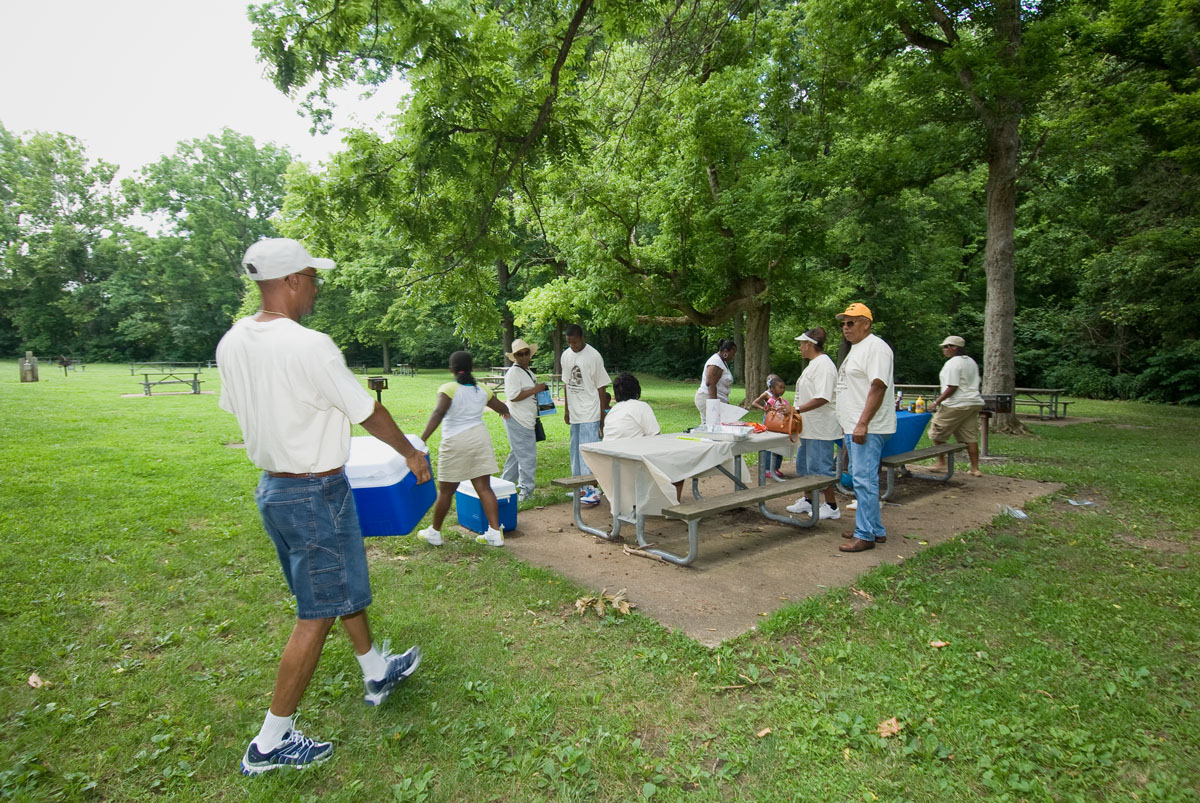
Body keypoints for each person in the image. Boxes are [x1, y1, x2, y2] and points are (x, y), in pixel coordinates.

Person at [217, 238, 431, 776]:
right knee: (315, 612)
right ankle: (270, 743)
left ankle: (376, 669)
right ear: (291, 280)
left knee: (333, 589)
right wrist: (410, 452)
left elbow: (244, 409)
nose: (317, 286)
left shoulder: (233, 341)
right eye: (313, 277)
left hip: (274, 489)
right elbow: (365, 410)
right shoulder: (310, 345)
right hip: (314, 493)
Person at [417, 351, 511, 547]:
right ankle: (494, 532)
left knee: (445, 491)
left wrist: (422, 439)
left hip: (455, 441)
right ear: (472, 368)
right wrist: (505, 412)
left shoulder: (448, 388)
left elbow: (439, 412)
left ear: (451, 369)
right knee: (484, 488)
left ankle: (434, 532)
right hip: (480, 438)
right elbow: (501, 407)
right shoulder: (482, 389)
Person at [834, 303, 896, 553]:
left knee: (863, 480)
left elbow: (878, 386)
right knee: (863, 479)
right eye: (843, 323)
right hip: (853, 426)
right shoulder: (857, 348)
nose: (845, 327)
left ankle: (865, 534)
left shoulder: (876, 348)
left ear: (866, 324)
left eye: (851, 322)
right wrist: (847, 423)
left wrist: (862, 423)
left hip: (867, 428)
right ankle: (874, 528)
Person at [786, 328, 842, 520]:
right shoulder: (813, 365)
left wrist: (797, 410)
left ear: (810, 345)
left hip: (820, 428)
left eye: (802, 344)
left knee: (820, 468)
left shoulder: (824, 366)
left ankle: (832, 505)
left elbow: (823, 397)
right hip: (807, 427)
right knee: (804, 467)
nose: (800, 347)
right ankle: (808, 499)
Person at [604, 372, 684, 501]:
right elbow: (655, 436)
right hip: (632, 463)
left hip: (611, 463)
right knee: (678, 464)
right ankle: (672, 505)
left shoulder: (613, 411)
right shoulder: (641, 407)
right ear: (637, 389)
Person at [561, 324, 611, 507]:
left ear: (582, 338)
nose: (572, 345)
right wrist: (566, 409)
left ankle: (592, 489)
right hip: (575, 411)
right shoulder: (566, 355)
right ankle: (579, 486)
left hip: (591, 411)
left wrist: (602, 415)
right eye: (569, 342)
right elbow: (566, 383)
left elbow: (601, 387)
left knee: (588, 450)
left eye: (574, 342)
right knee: (575, 450)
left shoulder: (594, 356)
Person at [929, 335, 985, 477]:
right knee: (970, 435)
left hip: (956, 404)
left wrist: (936, 402)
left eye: (945, 347)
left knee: (937, 430)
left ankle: (941, 462)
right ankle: (975, 468)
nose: (943, 350)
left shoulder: (953, 363)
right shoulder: (971, 362)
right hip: (973, 402)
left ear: (954, 348)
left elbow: (952, 386)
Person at [500, 338, 546, 502]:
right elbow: (513, 396)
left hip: (526, 419)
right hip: (519, 419)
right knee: (527, 457)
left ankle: (502, 487)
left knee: (517, 455)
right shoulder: (513, 372)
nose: (524, 356)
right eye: (520, 354)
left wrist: (539, 390)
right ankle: (526, 493)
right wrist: (535, 389)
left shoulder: (527, 372)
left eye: (526, 353)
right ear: (515, 356)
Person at [749, 374, 791, 482]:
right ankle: (767, 468)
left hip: (779, 422)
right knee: (769, 444)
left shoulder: (781, 399)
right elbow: (754, 403)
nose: (782, 390)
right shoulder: (767, 395)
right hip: (769, 421)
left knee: (779, 443)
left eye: (784, 388)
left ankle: (775, 467)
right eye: (780, 387)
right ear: (772, 388)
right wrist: (764, 408)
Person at [694, 339, 737, 425]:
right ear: (725, 351)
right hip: (707, 398)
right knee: (714, 426)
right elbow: (710, 383)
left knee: (711, 426)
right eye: (732, 353)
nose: (733, 356)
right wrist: (714, 405)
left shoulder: (722, 362)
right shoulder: (716, 362)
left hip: (715, 399)